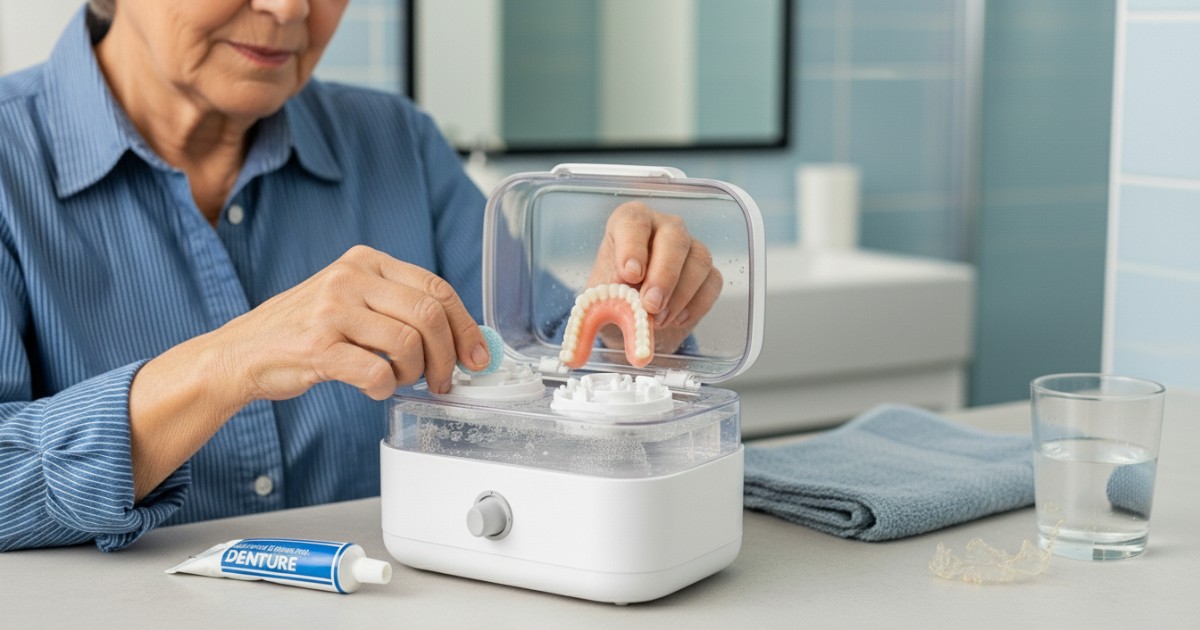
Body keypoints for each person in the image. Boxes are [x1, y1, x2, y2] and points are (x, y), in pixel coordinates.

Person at [0, 0, 722, 552]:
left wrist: (628, 320)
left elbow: (540, 379)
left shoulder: (398, 142)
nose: (290, 11)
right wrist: (233, 361)